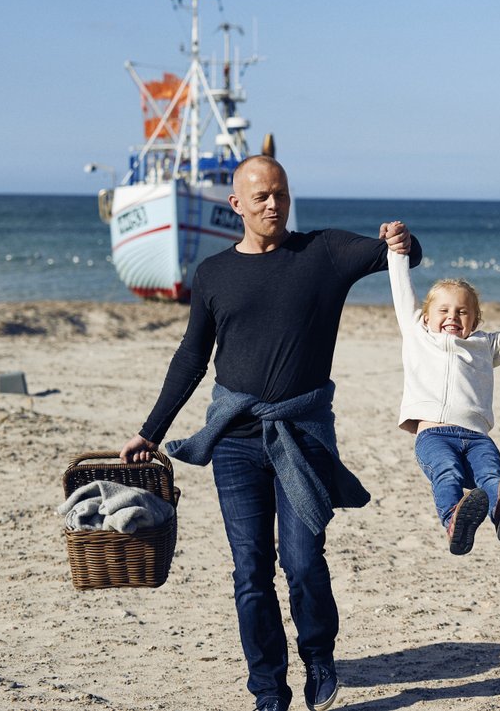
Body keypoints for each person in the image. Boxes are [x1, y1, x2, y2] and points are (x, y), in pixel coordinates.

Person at [118, 156, 422, 711]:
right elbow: (191, 358)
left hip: (302, 434)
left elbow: (405, 255)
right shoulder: (213, 273)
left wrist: (400, 236)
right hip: (233, 437)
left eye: (279, 193)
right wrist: (151, 432)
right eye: (259, 197)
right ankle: (268, 690)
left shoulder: (323, 252)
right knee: (251, 570)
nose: (272, 204)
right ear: (236, 205)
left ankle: (320, 657)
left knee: (303, 560)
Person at [385, 233, 500, 554]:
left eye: (462, 312)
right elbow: (401, 291)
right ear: (426, 317)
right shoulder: (418, 334)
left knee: (491, 474)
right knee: (448, 474)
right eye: (444, 310)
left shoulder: (485, 345)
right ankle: (455, 522)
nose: (452, 317)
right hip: (434, 436)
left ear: (476, 320)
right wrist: (397, 252)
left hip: (478, 437)